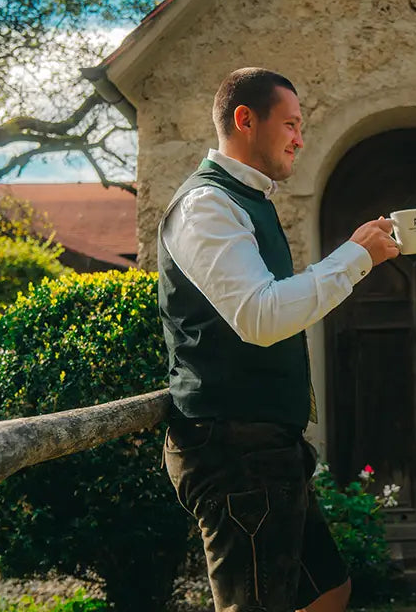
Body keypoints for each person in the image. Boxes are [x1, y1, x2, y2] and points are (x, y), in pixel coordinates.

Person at [159, 67, 401, 612]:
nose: (299, 137)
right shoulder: (206, 206)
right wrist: (356, 255)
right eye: (290, 124)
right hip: (231, 450)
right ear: (245, 120)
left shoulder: (246, 202)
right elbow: (259, 316)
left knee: (329, 593)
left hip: (265, 448)